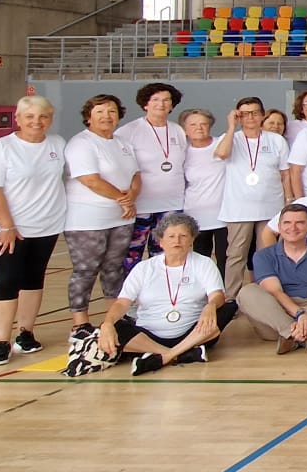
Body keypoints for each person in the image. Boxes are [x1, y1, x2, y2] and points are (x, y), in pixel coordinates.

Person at [0, 95, 66, 366]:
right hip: (10, 228)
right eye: (29, 116)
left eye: (43, 116)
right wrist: (6, 225)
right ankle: (0, 341)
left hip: (47, 225)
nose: (36, 122)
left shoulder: (58, 144)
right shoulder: (2, 147)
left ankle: (25, 333)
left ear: (50, 119)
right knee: (7, 281)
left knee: (33, 279)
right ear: (17, 119)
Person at [98, 213, 236, 375]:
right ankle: (180, 354)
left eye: (183, 236)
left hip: (193, 332)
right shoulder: (144, 268)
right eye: (171, 236)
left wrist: (210, 306)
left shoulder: (203, 263)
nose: (177, 241)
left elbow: (217, 295)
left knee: (227, 308)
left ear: (192, 240)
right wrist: (107, 324)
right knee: (115, 325)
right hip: (148, 336)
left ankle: (162, 357)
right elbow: (122, 302)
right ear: (161, 241)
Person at [63, 93, 139, 329]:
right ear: (88, 117)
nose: (107, 116)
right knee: (85, 270)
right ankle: (80, 324)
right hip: (87, 220)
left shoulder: (122, 143)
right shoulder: (81, 143)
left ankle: (114, 319)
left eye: (112, 111)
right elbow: (90, 180)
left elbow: (136, 175)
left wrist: (132, 196)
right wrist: (123, 200)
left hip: (121, 219)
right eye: (100, 112)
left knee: (114, 270)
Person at [213, 95, 289, 296]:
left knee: (267, 254)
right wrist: (231, 127)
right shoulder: (231, 138)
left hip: (270, 206)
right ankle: (232, 296)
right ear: (238, 116)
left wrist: (289, 201)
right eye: (245, 114)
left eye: (255, 113)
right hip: (239, 208)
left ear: (262, 115)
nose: (250, 117)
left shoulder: (276, 140)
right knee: (236, 254)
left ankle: (266, 294)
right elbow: (222, 154)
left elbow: (285, 174)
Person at [238, 203, 307, 354]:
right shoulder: (263, 256)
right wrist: (300, 314)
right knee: (247, 292)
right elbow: (275, 292)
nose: (293, 227)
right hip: (277, 313)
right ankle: (293, 333)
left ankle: (294, 337)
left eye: (300, 223)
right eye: (287, 223)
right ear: (279, 227)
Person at [117, 83, 186, 266]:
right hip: (140, 205)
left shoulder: (178, 130)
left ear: (172, 105)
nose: (161, 104)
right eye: (155, 99)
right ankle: (133, 285)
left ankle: (162, 285)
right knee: (132, 254)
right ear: (145, 104)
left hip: (172, 205)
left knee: (165, 255)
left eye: (166, 100)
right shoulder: (128, 131)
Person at [179, 108, 227, 264]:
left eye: (203, 124)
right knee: (201, 257)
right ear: (185, 130)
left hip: (224, 214)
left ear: (210, 126)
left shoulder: (221, 144)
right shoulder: (182, 152)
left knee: (224, 257)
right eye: (192, 125)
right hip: (195, 213)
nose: (199, 128)